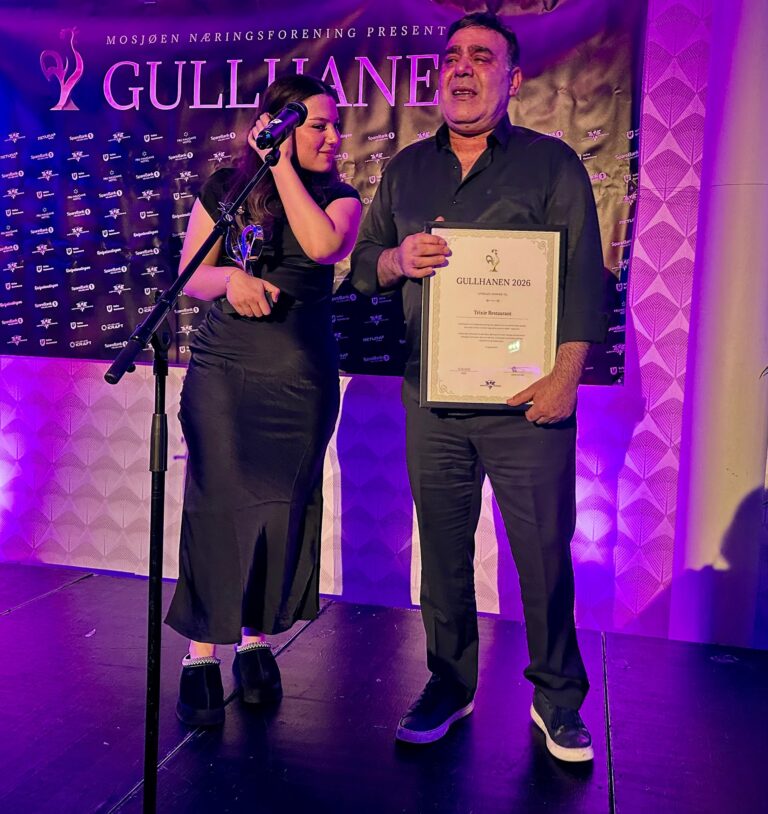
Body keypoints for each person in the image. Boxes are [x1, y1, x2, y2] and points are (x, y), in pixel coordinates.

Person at [351, 13, 606, 762]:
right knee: (443, 552)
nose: (462, 68)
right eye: (452, 56)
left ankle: (557, 697)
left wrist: (565, 377)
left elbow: (583, 277)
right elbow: (363, 267)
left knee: (543, 553)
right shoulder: (407, 170)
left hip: (529, 401)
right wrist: (396, 259)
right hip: (432, 398)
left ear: (513, 79)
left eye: (482, 57)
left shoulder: (551, 165)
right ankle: (449, 682)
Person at [165, 75, 362, 727]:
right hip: (223, 371)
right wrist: (231, 279)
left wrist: (280, 168)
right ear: (276, 127)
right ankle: (201, 653)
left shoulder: (340, 199)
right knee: (216, 502)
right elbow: (192, 276)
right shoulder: (226, 187)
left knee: (280, 508)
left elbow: (322, 246)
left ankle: (254, 642)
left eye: (335, 126)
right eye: (318, 126)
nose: (333, 137)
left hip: (299, 378)